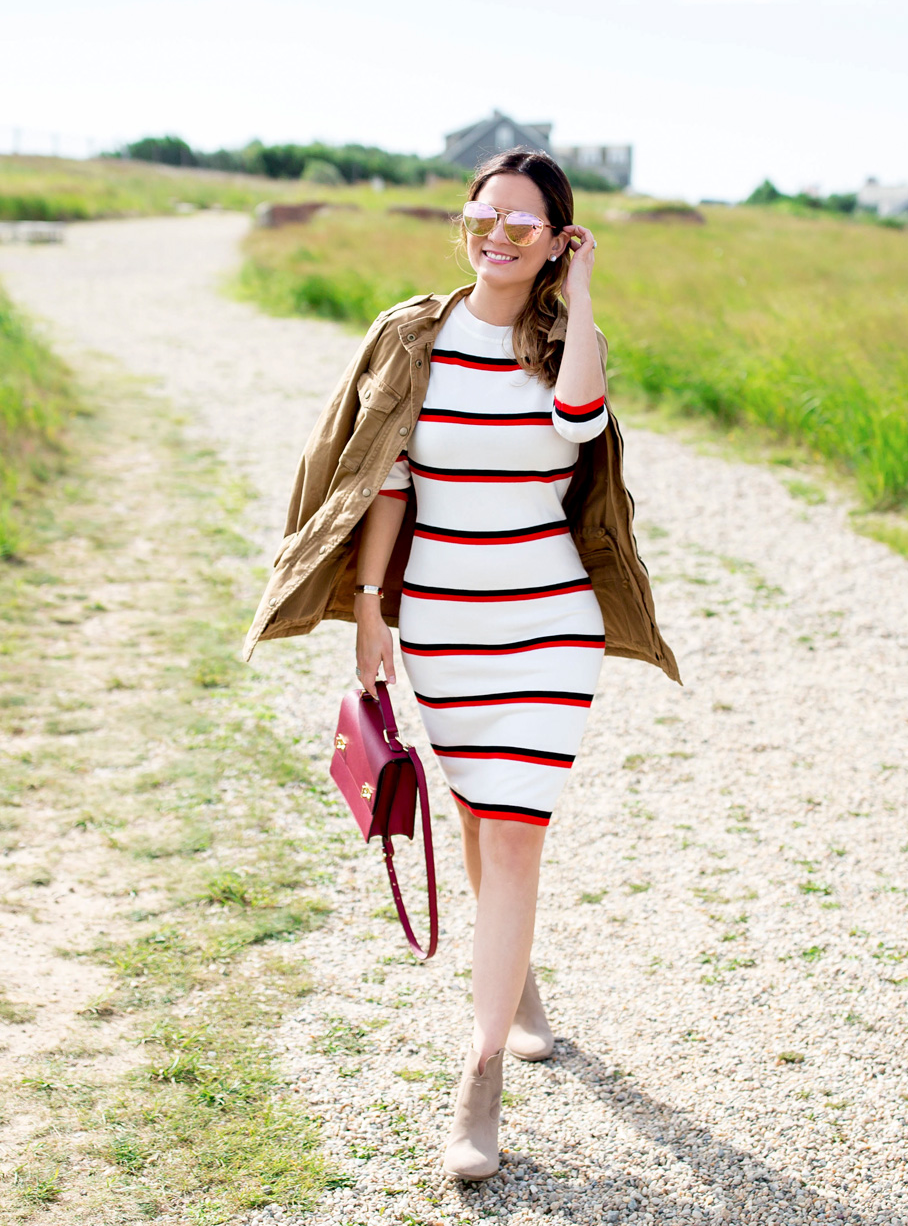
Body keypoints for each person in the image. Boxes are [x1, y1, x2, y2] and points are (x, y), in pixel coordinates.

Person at [244, 148, 680, 1180]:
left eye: (522, 226)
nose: (494, 236)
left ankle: (479, 1072)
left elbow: (577, 425)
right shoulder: (413, 337)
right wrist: (366, 609)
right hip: (442, 624)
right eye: (481, 217)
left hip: (547, 624)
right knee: (477, 814)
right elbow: (386, 481)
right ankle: (515, 982)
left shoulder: (574, 343)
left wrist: (576, 296)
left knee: (518, 831)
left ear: (558, 239)